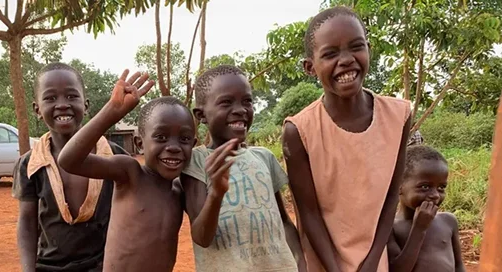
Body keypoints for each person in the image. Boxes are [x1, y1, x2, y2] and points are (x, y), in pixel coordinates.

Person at [282, 6, 411, 272]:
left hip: (375, 262)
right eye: (330, 54)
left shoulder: (399, 116)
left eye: (356, 47)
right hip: (324, 262)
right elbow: (309, 214)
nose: (346, 60)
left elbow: (390, 198)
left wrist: (373, 260)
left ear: (368, 49)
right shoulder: (299, 131)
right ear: (310, 67)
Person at [58, 70, 196, 272]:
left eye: (184, 139)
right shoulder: (131, 174)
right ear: (140, 143)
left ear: (193, 144)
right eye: (161, 137)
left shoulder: (181, 190)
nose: (174, 147)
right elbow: (69, 160)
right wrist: (111, 111)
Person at [180, 65, 305, 272]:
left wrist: (300, 262)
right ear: (201, 115)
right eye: (226, 102)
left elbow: (283, 220)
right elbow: (202, 237)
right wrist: (216, 194)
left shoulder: (264, 156)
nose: (240, 110)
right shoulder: (197, 161)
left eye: (247, 101)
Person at [12, 62, 129, 272]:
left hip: (105, 266)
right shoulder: (30, 165)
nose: (62, 104)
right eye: (50, 98)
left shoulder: (115, 156)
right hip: (49, 267)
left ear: (86, 105)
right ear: (37, 109)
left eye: (72, 96)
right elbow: (27, 222)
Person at [387, 145, 465, 272]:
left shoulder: (448, 221)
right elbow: (397, 269)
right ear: (399, 186)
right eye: (424, 187)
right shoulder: (391, 228)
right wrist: (419, 229)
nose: (435, 195)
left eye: (441, 187)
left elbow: (459, 266)